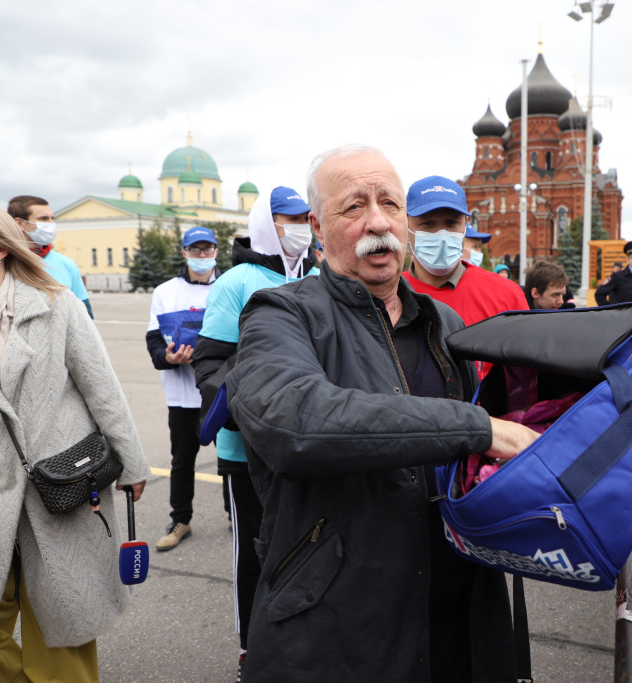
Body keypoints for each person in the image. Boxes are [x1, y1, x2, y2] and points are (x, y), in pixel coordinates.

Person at [226, 144, 539, 681]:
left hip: (456, 608)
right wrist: (480, 430)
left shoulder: (442, 321)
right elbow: (294, 422)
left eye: (390, 204)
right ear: (318, 229)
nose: (378, 222)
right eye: (353, 207)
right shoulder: (280, 312)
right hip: (339, 618)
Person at [0, 201, 149, 680]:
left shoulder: (54, 304)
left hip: (65, 487)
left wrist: (131, 463)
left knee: (63, 633)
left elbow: (101, 389)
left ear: (1, 246)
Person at [192, 186, 317, 681]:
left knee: (306, 547)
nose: (301, 226)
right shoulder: (237, 281)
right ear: (268, 222)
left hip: (306, 446)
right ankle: (252, 650)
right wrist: (256, 414)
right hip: (247, 451)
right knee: (256, 556)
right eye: (289, 218)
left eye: (306, 217)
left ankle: (303, 641)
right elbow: (210, 364)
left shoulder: (316, 277)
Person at [145, 226, 220, 551]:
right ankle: (181, 520)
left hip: (220, 392)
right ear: (184, 252)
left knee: (232, 459)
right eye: (195, 250)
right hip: (182, 394)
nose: (202, 256)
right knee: (182, 461)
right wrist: (168, 357)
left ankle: (236, 514)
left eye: (207, 249)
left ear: (216, 251)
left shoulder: (227, 287)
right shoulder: (166, 291)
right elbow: (153, 340)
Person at [402, 175, 527, 328]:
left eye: (451, 223)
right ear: (406, 228)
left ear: (464, 227)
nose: (442, 235)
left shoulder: (506, 296)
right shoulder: (387, 297)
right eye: (428, 223)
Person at [7, 195, 92, 317]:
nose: (51, 223)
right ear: (20, 223)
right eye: (43, 218)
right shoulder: (2, 262)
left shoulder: (66, 263)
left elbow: (85, 315)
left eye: (52, 218)